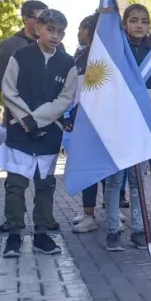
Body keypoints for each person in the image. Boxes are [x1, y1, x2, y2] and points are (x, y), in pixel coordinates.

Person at [0, 9, 78, 258]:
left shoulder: (68, 63)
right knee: (15, 185)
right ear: (38, 28)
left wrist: (38, 120)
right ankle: (14, 235)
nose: (55, 36)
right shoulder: (20, 56)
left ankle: (41, 234)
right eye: (50, 30)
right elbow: (8, 90)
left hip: (48, 133)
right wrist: (26, 120)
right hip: (20, 132)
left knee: (45, 186)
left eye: (60, 32)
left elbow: (65, 98)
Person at [101, 4, 151, 251]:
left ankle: (139, 230)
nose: (139, 25)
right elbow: (102, 85)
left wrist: (139, 97)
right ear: (125, 24)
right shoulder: (113, 52)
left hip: (141, 124)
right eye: (133, 20)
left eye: (143, 21)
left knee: (137, 179)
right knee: (114, 180)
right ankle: (113, 230)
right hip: (116, 123)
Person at [70, 13, 103, 231]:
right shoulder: (79, 57)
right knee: (86, 169)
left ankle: (111, 211)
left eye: (80, 28)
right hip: (82, 121)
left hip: (102, 122)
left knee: (107, 169)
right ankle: (88, 213)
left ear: (89, 30)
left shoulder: (104, 57)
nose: (77, 33)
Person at [0, 0, 48, 91]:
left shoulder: (57, 47)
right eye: (40, 20)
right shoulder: (7, 46)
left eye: (47, 20)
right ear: (25, 19)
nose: (44, 24)